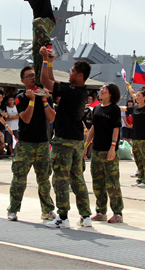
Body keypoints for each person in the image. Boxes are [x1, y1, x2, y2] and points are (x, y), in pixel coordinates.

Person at [40, 47, 92, 228]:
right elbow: (53, 81)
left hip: (64, 141)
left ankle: (62, 217)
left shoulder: (71, 91)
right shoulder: (80, 91)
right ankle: (85, 216)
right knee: (77, 179)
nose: (70, 73)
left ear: (80, 75)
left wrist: (44, 59)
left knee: (60, 179)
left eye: (72, 71)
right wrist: (51, 61)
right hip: (77, 141)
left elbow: (45, 81)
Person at [7, 66, 56, 222]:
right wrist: (32, 100)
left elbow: (52, 118)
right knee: (19, 178)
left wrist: (43, 99)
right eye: (28, 76)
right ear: (22, 80)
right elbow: (26, 118)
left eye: (34, 75)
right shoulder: (20, 97)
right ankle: (13, 209)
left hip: (42, 143)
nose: (32, 78)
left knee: (44, 179)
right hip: (25, 144)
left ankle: (47, 210)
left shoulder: (45, 96)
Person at [85, 83, 124, 224]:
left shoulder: (114, 109)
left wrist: (113, 147)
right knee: (98, 182)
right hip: (96, 150)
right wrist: (86, 145)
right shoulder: (96, 108)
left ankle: (117, 212)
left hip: (109, 151)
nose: (101, 91)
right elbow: (93, 128)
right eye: (101, 89)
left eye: (104, 89)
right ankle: (100, 211)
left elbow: (116, 129)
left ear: (111, 93)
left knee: (112, 182)